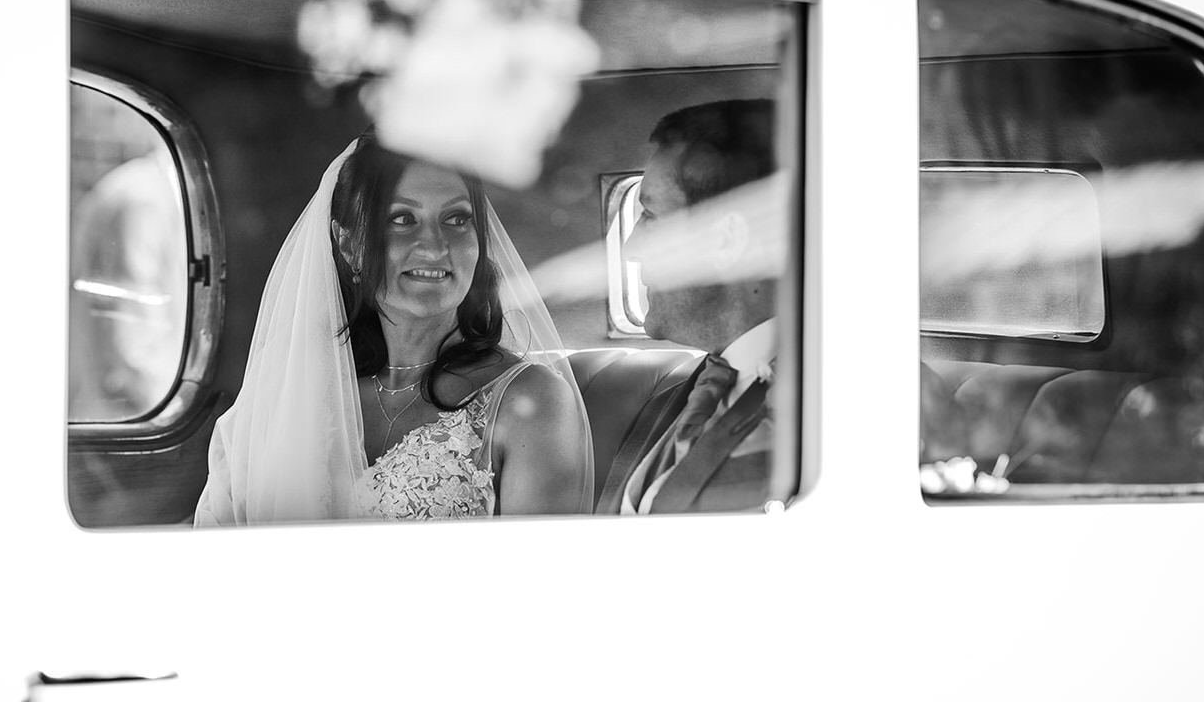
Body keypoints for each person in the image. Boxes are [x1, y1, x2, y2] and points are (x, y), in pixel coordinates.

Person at [195, 128, 593, 524]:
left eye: (457, 218)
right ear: (348, 244)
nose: (435, 247)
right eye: (402, 219)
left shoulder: (533, 401)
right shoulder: (289, 384)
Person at [596, 99, 780, 515]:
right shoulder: (696, 387)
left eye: (652, 217)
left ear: (726, 242)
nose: (631, 248)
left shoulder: (841, 407)